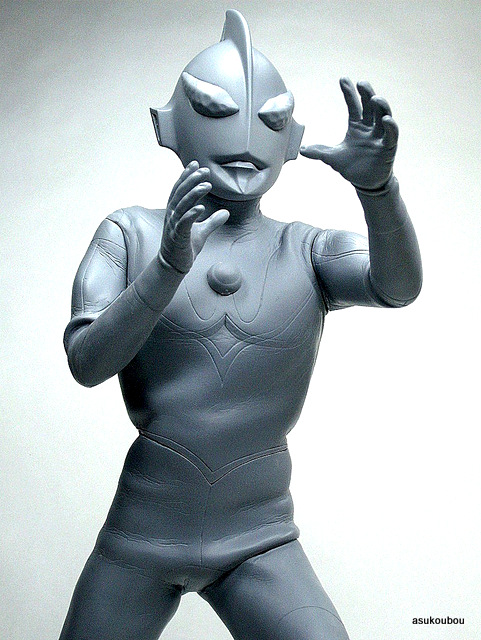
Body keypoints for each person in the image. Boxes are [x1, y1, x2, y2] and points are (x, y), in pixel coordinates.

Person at [59, 10, 422, 640]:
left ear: (291, 139)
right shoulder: (131, 234)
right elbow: (87, 362)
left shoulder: (305, 250)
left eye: (272, 120)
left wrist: (379, 190)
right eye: (215, 111)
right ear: (171, 127)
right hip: (142, 534)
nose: (247, 139)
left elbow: (398, 287)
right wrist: (166, 268)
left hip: (260, 536)